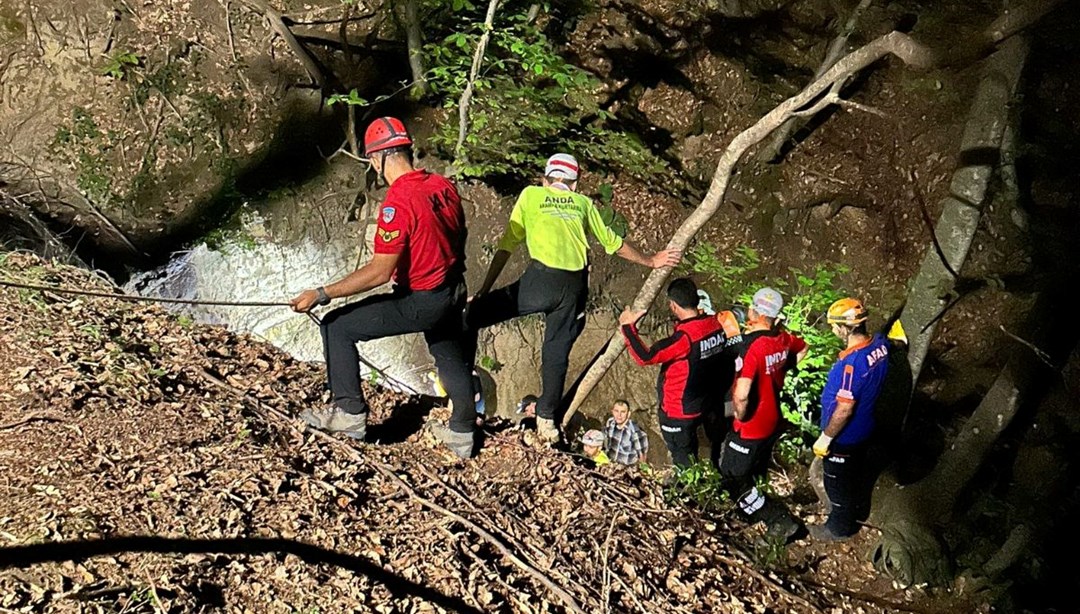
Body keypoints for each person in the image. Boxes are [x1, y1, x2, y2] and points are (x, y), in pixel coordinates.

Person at [290, 117, 476, 459]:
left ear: (378, 158)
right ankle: (462, 434)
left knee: (338, 326)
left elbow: (379, 272)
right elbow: (460, 233)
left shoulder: (397, 203)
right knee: (449, 355)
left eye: (372, 160)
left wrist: (321, 294)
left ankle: (348, 414)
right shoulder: (442, 185)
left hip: (422, 299)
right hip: (452, 288)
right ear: (407, 150)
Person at [467, 153, 681, 444]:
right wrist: (651, 261)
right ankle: (547, 423)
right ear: (575, 184)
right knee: (556, 353)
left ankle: (462, 390)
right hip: (573, 285)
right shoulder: (583, 203)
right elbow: (613, 244)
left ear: (546, 180)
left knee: (474, 316)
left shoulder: (531, 194)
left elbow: (507, 244)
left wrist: (483, 290)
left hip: (540, 280)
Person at [719, 287, 809, 541]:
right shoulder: (782, 339)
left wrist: (740, 415)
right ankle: (750, 510)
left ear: (752, 312)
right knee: (755, 467)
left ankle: (778, 519)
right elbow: (803, 349)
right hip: (772, 420)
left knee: (732, 479)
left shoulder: (751, 348)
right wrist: (781, 372)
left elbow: (742, 393)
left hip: (752, 425)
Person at [619, 278, 729, 469]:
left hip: (678, 411)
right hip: (703, 405)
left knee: (682, 458)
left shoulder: (684, 339)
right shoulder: (715, 326)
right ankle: (706, 479)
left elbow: (645, 356)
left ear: (673, 306)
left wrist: (627, 327)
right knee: (696, 449)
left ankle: (686, 492)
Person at [809, 298, 891, 542]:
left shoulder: (851, 365)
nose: (833, 330)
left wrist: (826, 438)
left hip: (846, 436)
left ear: (845, 328)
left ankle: (839, 528)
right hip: (867, 427)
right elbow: (889, 342)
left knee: (837, 483)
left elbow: (844, 409)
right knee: (853, 474)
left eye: (835, 326)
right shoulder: (879, 346)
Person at [603, 400, 649, 465]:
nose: (619, 415)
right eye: (616, 411)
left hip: (626, 468)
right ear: (612, 411)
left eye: (623, 412)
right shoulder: (610, 423)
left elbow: (642, 457)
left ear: (628, 414)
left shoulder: (634, 431)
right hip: (610, 464)